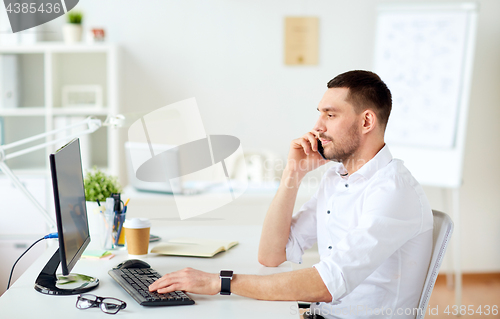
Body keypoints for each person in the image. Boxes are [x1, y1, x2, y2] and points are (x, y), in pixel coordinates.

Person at [149, 70, 433, 319]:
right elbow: (272, 254)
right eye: (320, 113)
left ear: (366, 121)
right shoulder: (337, 177)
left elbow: (326, 284)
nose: (317, 126)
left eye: (330, 115)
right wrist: (292, 174)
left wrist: (220, 282)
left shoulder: (392, 191)